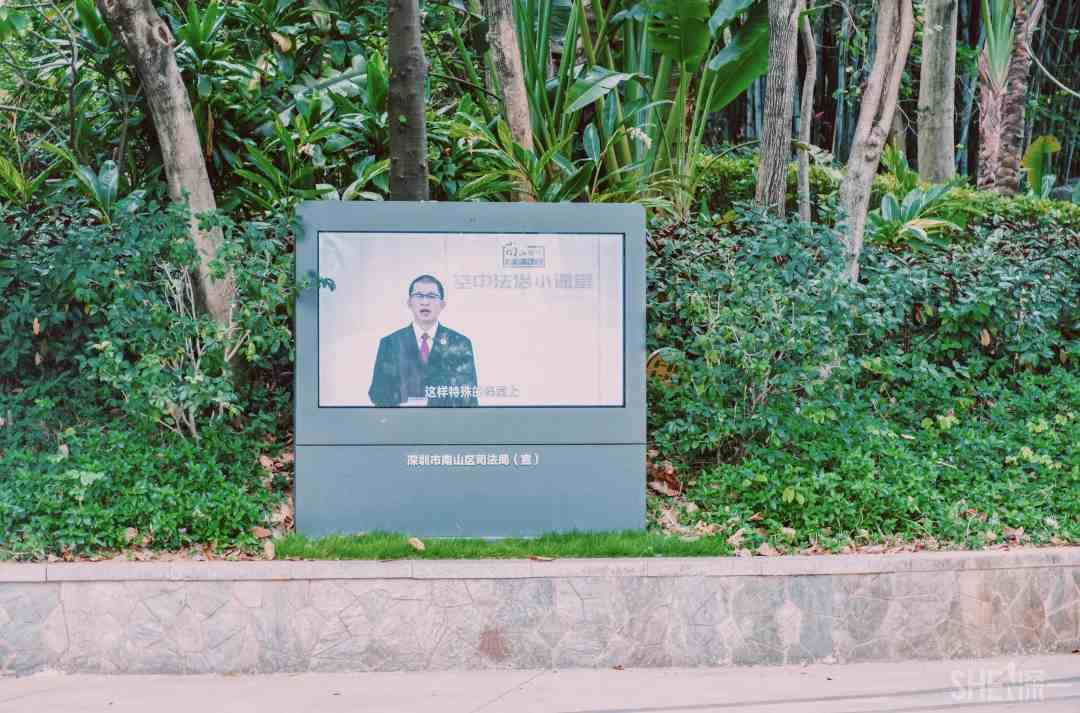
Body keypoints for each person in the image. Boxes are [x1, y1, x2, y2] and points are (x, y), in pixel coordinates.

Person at [368, 274, 479, 407]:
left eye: (432, 296)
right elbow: (377, 393)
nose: (425, 302)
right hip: (403, 423)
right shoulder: (391, 343)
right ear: (409, 302)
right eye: (419, 295)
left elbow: (468, 397)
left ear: (442, 304)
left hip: (446, 424)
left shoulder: (459, 343)